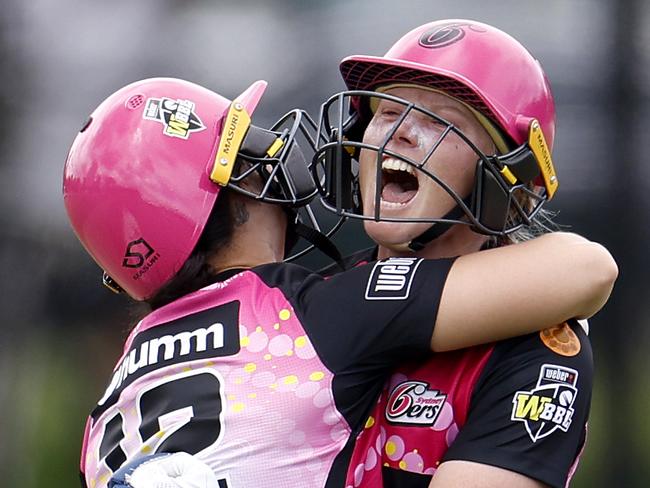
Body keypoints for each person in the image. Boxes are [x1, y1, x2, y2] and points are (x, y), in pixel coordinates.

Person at [63, 77, 616, 488]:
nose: (271, 163)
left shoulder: (110, 402)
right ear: (224, 201)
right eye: (248, 160)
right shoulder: (305, 309)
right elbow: (587, 268)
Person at [313, 19, 617, 487]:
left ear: (502, 182)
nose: (401, 134)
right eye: (389, 111)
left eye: (440, 121)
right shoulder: (306, 299)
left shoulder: (536, 352)